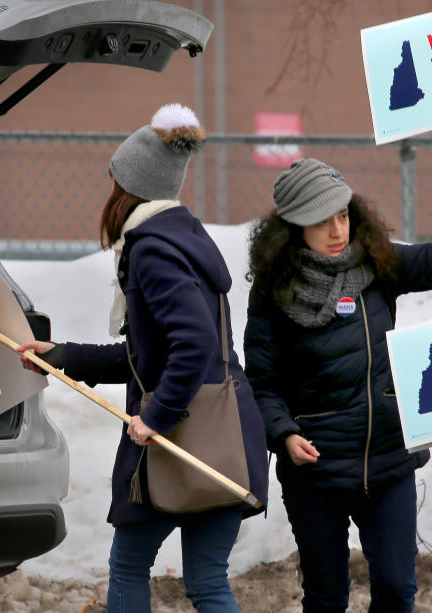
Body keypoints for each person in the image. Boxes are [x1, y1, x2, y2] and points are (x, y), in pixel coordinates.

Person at [16, 103, 268, 613]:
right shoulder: (184, 238)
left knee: (129, 568)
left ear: (129, 187)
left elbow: (192, 345)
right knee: (208, 583)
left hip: (179, 440)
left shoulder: (151, 250)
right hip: (228, 435)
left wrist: (155, 417)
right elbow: (149, 353)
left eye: (113, 181)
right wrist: (62, 355)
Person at [243, 137, 432, 612]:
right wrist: (284, 434)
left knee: (398, 591)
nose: (337, 230)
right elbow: (263, 383)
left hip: (388, 462)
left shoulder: (379, 264)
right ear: (295, 227)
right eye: (322, 221)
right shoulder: (274, 292)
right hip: (316, 471)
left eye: (343, 215)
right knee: (326, 597)